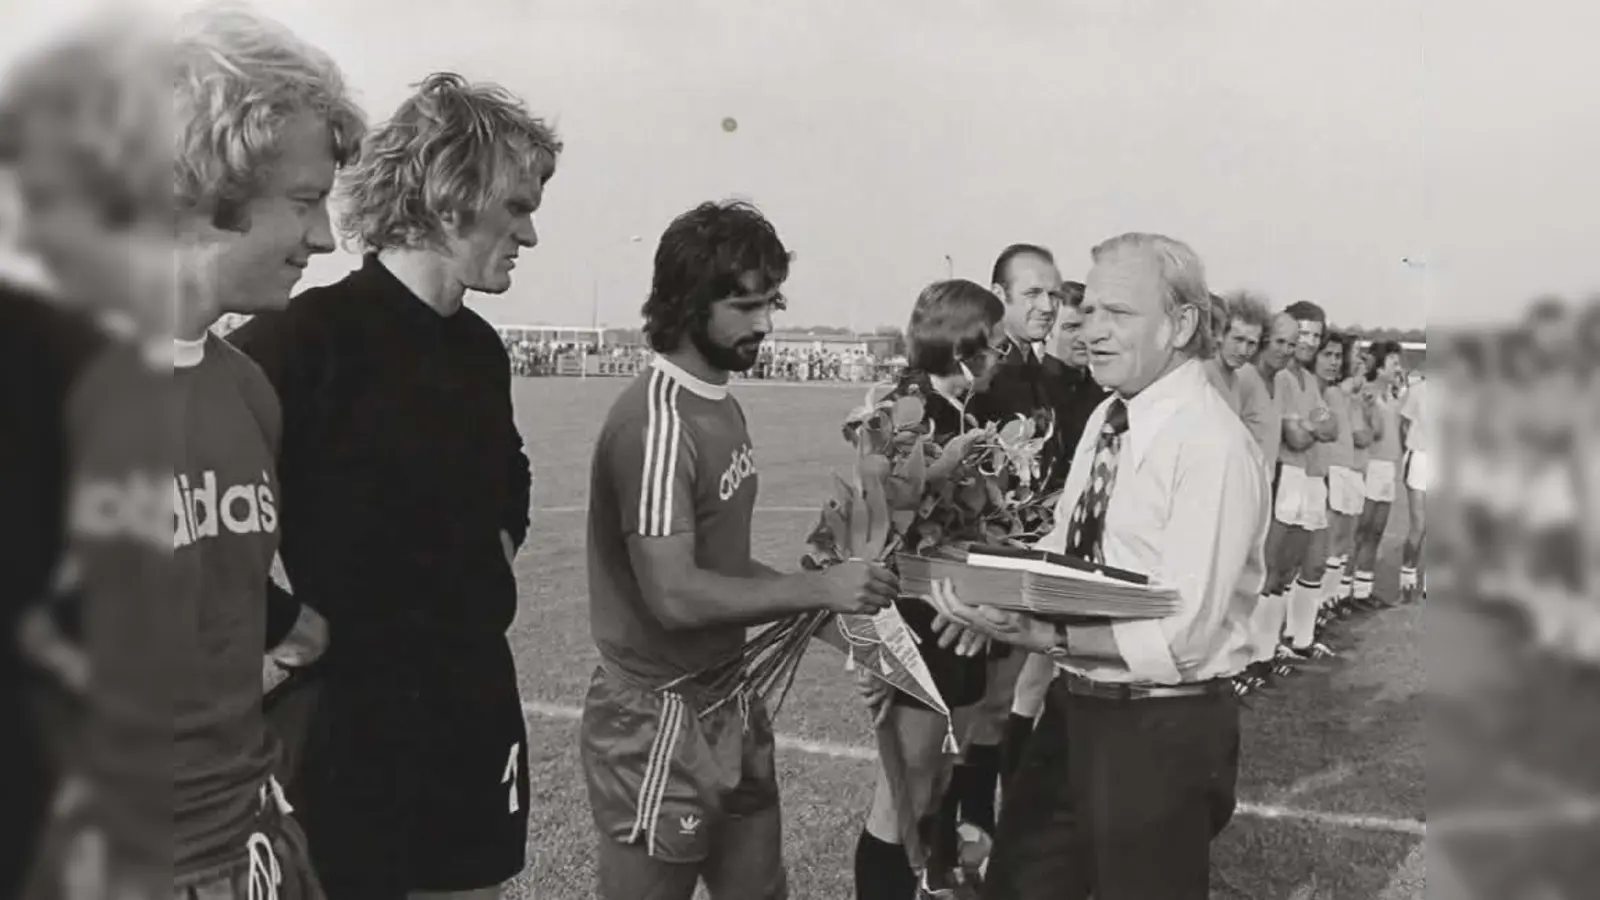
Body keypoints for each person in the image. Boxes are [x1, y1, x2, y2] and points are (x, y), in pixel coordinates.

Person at [228, 72, 556, 899]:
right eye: (516, 206)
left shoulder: (480, 350)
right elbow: (195, 517)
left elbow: (508, 473)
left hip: (474, 704)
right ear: (451, 198)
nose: (530, 233)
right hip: (349, 727)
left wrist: (493, 552)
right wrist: (286, 624)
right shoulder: (300, 343)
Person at [925, 232, 1267, 900]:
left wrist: (1041, 637)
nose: (1089, 328)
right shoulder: (1112, 414)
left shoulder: (1211, 446)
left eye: (1119, 313)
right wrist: (1001, 604)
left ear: (1182, 324)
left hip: (1159, 725)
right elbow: (1070, 546)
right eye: (1090, 311)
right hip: (1076, 710)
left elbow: (1180, 637)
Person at [581, 200, 898, 900]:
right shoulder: (656, 423)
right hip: (658, 720)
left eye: (770, 303)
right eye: (745, 306)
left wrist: (833, 625)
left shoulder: (720, 401)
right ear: (689, 304)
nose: (764, 324)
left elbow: (723, 570)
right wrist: (818, 591)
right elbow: (675, 595)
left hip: (731, 700)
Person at [851, 279, 1008, 900]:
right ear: (961, 345)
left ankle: (929, 885)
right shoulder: (898, 407)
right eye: (992, 346)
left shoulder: (963, 411)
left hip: (955, 616)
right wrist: (948, 466)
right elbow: (880, 509)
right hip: (912, 623)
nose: (998, 358)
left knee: (938, 781)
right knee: (902, 794)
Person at [1265, 301, 1340, 662]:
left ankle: (1294, 641)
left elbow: (1331, 427)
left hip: (1309, 476)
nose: (1309, 342)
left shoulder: (1310, 381)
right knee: (1274, 566)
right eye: (1304, 334)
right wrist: (1312, 428)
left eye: (1315, 334)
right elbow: (1294, 439)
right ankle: (1262, 650)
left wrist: (1307, 426)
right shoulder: (1279, 377)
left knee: (1303, 563)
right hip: (1286, 471)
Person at [1313, 332, 1369, 625]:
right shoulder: (1332, 390)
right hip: (1334, 466)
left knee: (1343, 539)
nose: (1359, 358)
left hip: (1349, 467)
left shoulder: (1347, 393)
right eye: (1356, 352)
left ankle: (1330, 599)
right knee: (1332, 539)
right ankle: (1320, 602)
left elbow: (1361, 432)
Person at [1349, 340, 1405, 607]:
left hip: (1388, 468)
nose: (1398, 368)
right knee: (1360, 532)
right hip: (1370, 466)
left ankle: (1362, 591)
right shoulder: (1368, 393)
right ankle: (1340, 593)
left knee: (1376, 532)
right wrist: (1372, 408)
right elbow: (1374, 432)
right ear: (1380, 366)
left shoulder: (1392, 395)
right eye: (1393, 363)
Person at [1205, 291, 1275, 452]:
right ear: (1221, 334)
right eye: (1238, 339)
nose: (1243, 350)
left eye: (1251, 343)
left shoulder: (1235, 378)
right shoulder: (1204, 371)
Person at [1399, 365, 1429, 603]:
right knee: (1418, 525)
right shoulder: (1418, 390)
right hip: (1420, 456)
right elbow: (1405, 425)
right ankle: (1407, 577)